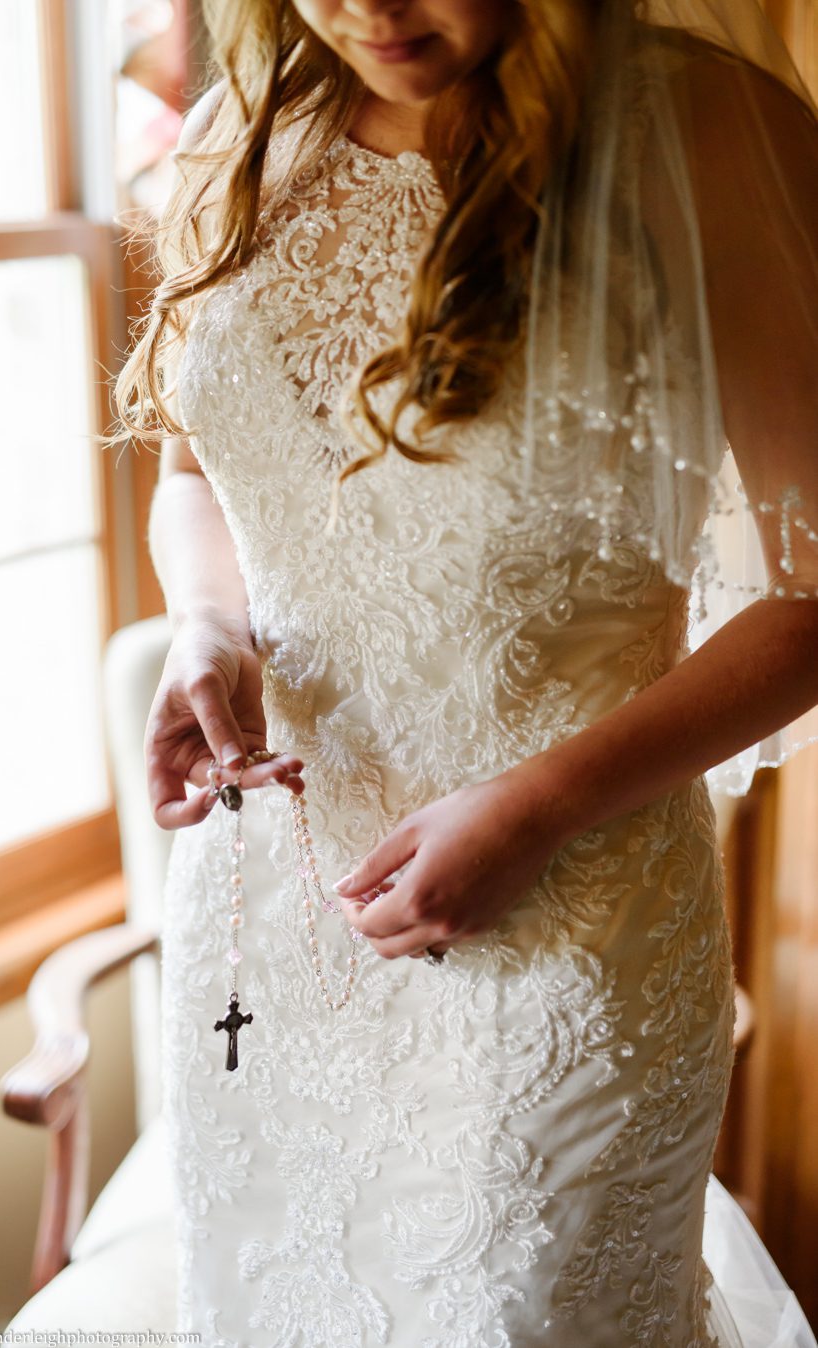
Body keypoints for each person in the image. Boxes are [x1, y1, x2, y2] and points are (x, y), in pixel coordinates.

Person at [113, 0, 818, 1342]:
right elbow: (195, 473)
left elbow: (816, 587)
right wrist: (208, 624)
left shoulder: (708, 131)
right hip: (274, 921)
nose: (373, 7)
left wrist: (537, 806)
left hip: (562, 924)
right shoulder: (241, 135)